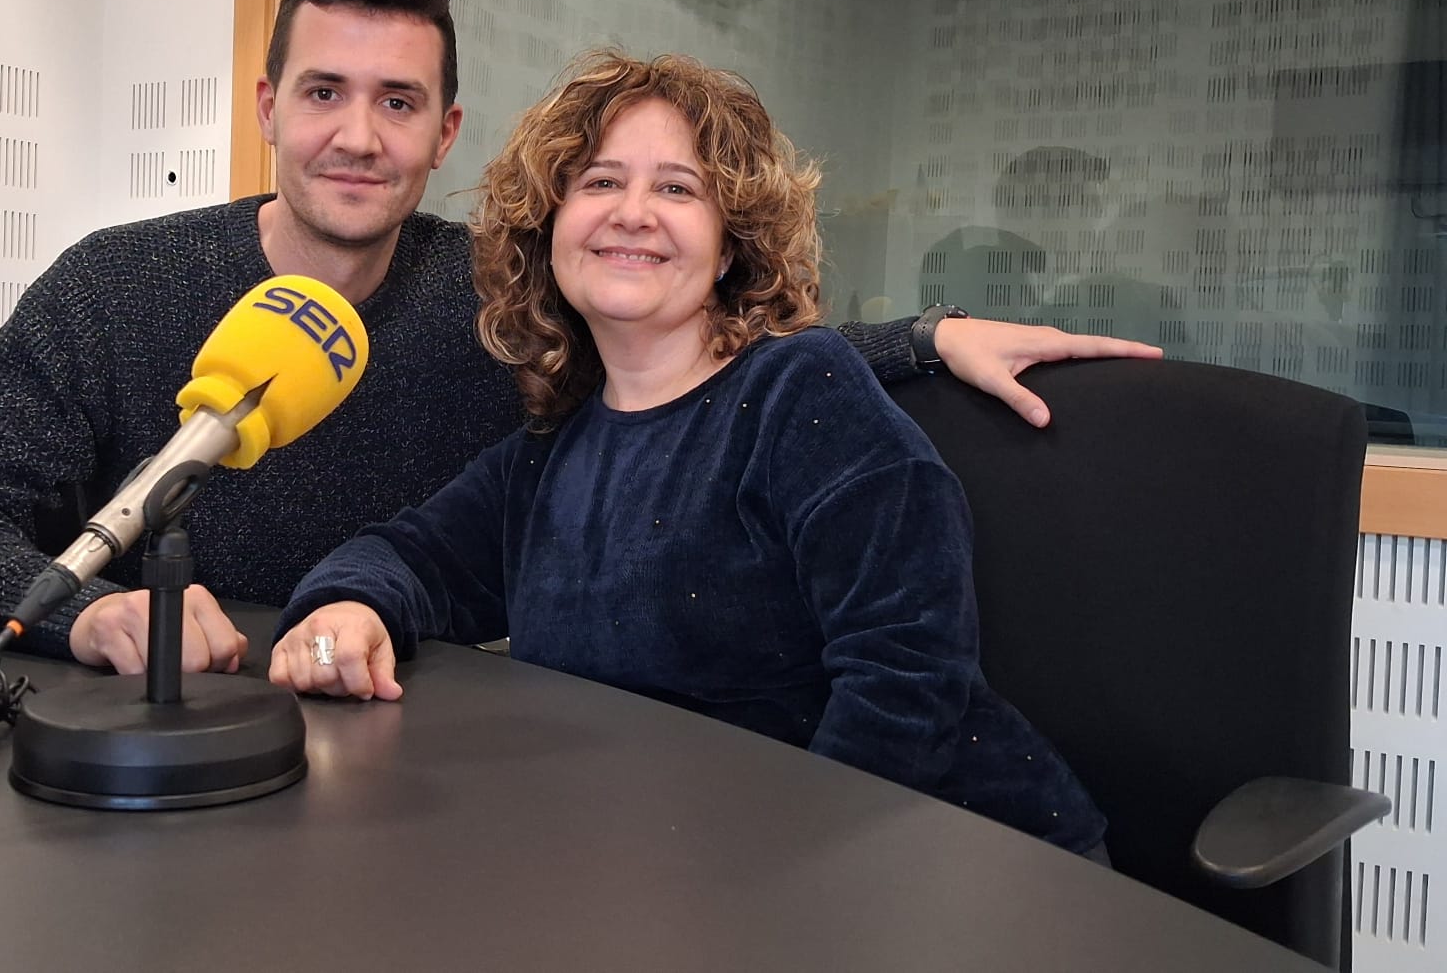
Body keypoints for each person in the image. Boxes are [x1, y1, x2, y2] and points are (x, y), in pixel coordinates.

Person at [0, 0, 1159, 675]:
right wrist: (81, 607)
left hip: (420, 758)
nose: (357, 136)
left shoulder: (496, 292)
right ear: (264, 109)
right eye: (322, 93)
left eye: (399, 103)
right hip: (162, 741)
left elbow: (686, 343)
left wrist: (920, 340)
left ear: (447, 132)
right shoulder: (116, 287)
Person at [268, 51, 1108, 857]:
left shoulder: (801, 391)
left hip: (935, 864)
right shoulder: (557, 448)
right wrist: (349, 609)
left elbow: (908, 683)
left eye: (678, 188)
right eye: (600, 182)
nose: (632, 212)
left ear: (731, 240)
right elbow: (410, 556)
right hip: (666, 864)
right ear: (550, 226)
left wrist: (753, 891)